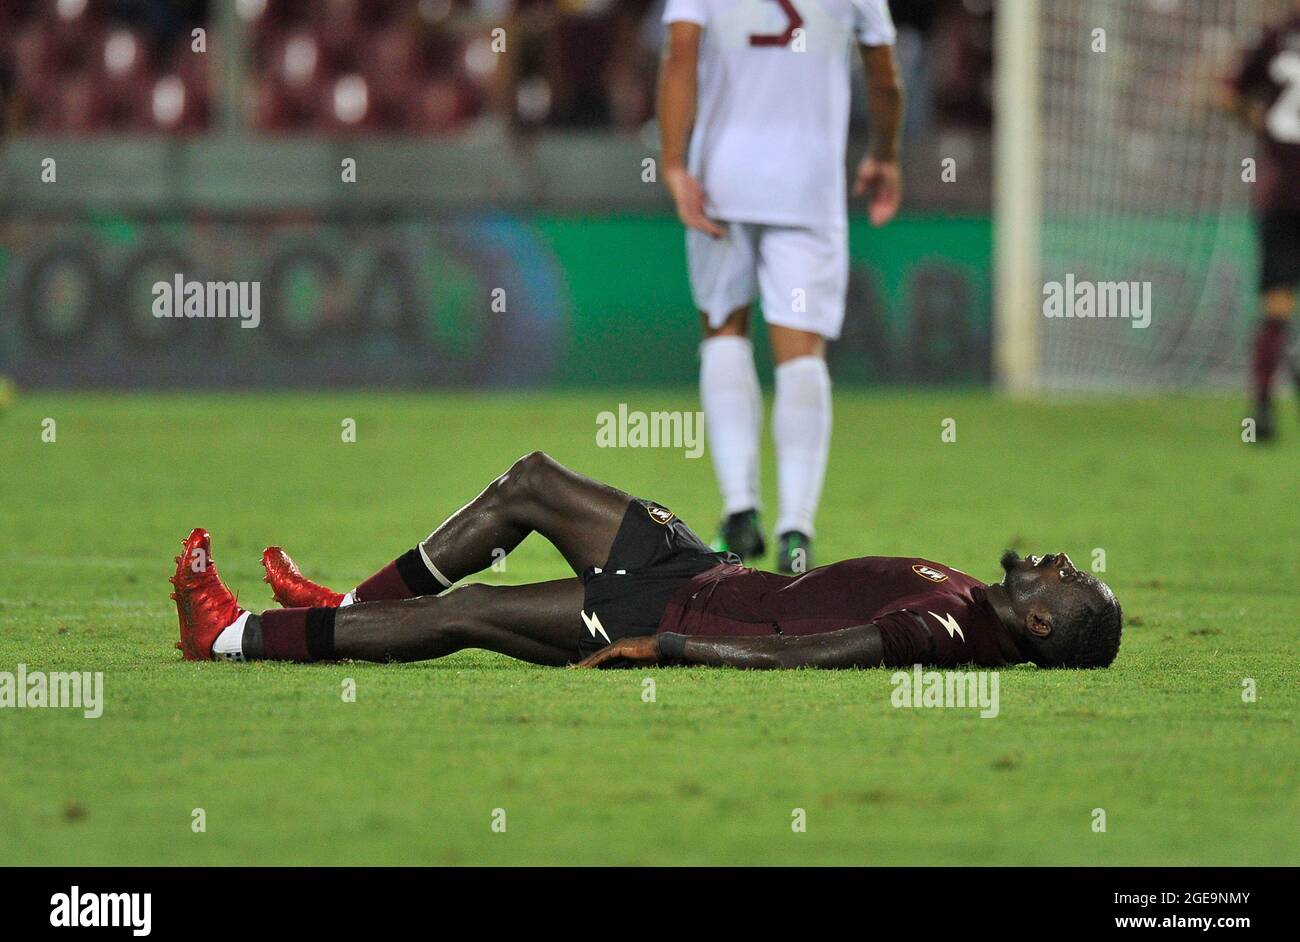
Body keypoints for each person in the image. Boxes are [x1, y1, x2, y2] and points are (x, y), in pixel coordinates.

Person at [169, 452, 1122, 670]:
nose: (1064, 560)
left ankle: (231, 635)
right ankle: (342, 602)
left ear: (1042, 623)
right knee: (530, 484)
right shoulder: (972, 604)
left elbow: (815, 658)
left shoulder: (948, 629)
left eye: (1072, 579)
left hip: (675, 618)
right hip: (700, 570)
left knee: (462, 618)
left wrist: (665, 651)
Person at [657, 0, 904, 569]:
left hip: (722, 178)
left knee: (724, 331)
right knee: (802, 352)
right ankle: (797, 531)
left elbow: (679, 57)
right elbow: (885, 78)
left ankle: (740, 512)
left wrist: (673, 163)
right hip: (808, 184)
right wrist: (885, 156)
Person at [1222, 1, 1300, 440]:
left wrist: (1262, 124)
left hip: (1281, 190)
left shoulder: (1272, 37)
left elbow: (1229, 92)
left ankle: (1263, 410)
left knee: (1277, 302)